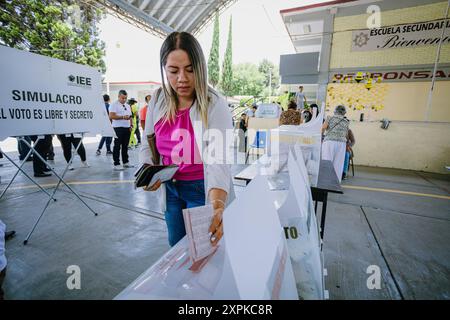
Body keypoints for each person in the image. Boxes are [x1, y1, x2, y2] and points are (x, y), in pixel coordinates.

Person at [140, 31, 234, 247]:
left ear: (200, 68)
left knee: (202, 249)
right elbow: (148, 143)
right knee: (175, 245)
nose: (182, 78)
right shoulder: (157, 99)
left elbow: (218, 160)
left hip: (201, 188)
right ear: (164, 69)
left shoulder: (214, 104)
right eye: (173, 71)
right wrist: (147, 171)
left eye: (190, 70)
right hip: (170, 187)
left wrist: (217, 204)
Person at [321, 105, 349, 182]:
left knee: (327, 160)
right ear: (344, 112)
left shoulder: (330, 118)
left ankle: (325, 181)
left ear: (335, 111)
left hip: (330, 142)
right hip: (341, 143)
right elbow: (346, 134)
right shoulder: (346, 121)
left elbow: (323, 128)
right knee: (338, 163)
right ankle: (335, 182)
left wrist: (320, 138)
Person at [109, 90, 134, 171]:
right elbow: (111, 116)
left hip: (127, 128)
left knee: (125, 146)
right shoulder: (114, 104)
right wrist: (122, 117)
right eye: (123, 98)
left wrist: (131, 125)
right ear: (118, 96)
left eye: (125, 98)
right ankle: (116, 163)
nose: (124, 100)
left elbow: (130, 116)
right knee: (117, 146)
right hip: (118, 128)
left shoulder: (127, 105)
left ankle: (125, 162)